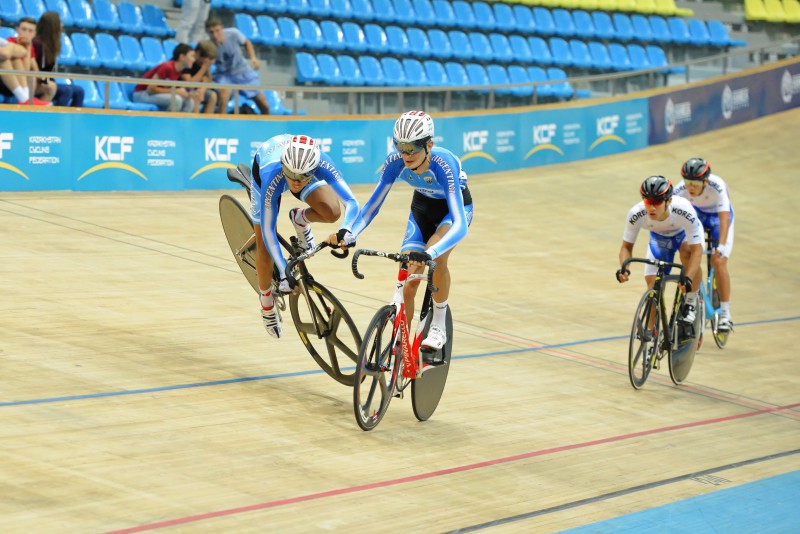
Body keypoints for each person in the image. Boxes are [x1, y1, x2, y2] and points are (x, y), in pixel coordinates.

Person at [341, 110, 474, 354]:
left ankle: (438, 324)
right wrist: (350, 233)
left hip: (452, 213)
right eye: (400, 147)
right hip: (422, 208)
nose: (406, 155)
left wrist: (431, 251)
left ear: (429, 145)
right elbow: (371, 207)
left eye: (412, 148)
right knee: (409, 277)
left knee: (437, 259)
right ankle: (400, 344)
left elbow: (460, 224)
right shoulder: (395, 163)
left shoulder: (444, 164)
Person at [250, 134, 362, 338]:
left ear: (314, 169)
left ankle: (300, 219)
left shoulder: (321, 163)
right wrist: (285, 271)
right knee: (264, 245)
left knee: (332, 212)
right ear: (285, 165)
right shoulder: (273, 173)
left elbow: (351, 203)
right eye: (291, 175)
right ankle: (266, 303)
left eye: (301, 177)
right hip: (268, 171)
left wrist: (346, 229)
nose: (295, 181)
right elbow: (268, 229)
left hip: (297, 166)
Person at [616, 176, 704, 327]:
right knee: (653, 288)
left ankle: (690, 302)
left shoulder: (684, 210)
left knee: (687, 253)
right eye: (648, 202)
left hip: (683, 234)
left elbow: (697, 251)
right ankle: (651, 338)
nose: (651, 208)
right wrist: (625, 268)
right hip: (660, 239)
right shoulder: (636, 214)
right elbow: (626, 247)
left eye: (656, 202)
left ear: (668, 201)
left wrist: (688, 278)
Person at [674, 157, 735, 331]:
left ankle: (725, 314)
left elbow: (724, 218)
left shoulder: (718, 186)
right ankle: (692, 302)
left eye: (694, 183)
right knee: (690, 252)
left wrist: (721, 246)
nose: (690, 187)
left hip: (718, 218)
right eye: (687, 182)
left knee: (719, 260)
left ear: (705, 181)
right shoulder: (679, 190)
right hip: (697, 216)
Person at [205, 16, 270, 115]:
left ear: (222, 28)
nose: (215, 35)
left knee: (264, 105)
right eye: (211, 32)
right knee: (223, 98)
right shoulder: (208, 44)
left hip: (243, 71)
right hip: (224, 75)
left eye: (217, 31)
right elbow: (206, 62)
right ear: (207, 32)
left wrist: (253, 58)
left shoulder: (233, 33)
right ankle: (220, 126)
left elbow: (247, 43)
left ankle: (267, 125)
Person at [32, 11, 84, 107]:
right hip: (37, 83)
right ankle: (56, 119)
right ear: (53, 26)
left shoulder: (51, 45)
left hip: (46, 81)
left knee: (79, 91)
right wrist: (45, 82)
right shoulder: (37, 44)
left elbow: (49, 70)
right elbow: (35, 67)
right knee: (66, 91)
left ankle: (74, 119)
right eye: (59, 23)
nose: (62, 25)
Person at [132, 43, 196, 112]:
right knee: (176, 100)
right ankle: (168, 122)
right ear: (182, 57)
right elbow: (150, 89)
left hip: (154, 94)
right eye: (192, 56)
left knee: (189, 102)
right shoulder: (167, 67)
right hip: (142, 94)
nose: (194, 60)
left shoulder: (179, 70)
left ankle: (181, 122)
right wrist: (175, 91)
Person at [0, 19, 49, 106]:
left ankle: (26, 98)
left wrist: (28, 47)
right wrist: (12, 47)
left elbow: (23, 53)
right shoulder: (10, 40)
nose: (26, 33)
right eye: (24, 29)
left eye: (30, 31)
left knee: (17, 60)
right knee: (4, 60)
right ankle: (24, 99)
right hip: (4, 79)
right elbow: (5, 54)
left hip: (11, 78)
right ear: (17, 29)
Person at [180, 40, 218, 114]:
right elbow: (189, 85)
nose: (207, 63)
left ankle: (207, 123)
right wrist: (203, 68)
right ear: (197, 54)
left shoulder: (203, 63)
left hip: (196, 90)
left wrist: (202, 90)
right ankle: (195, 123)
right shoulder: (188, 61)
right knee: (196, 96)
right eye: (205, 61)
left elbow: (208, 82)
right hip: (182, 90)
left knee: (212, 96)